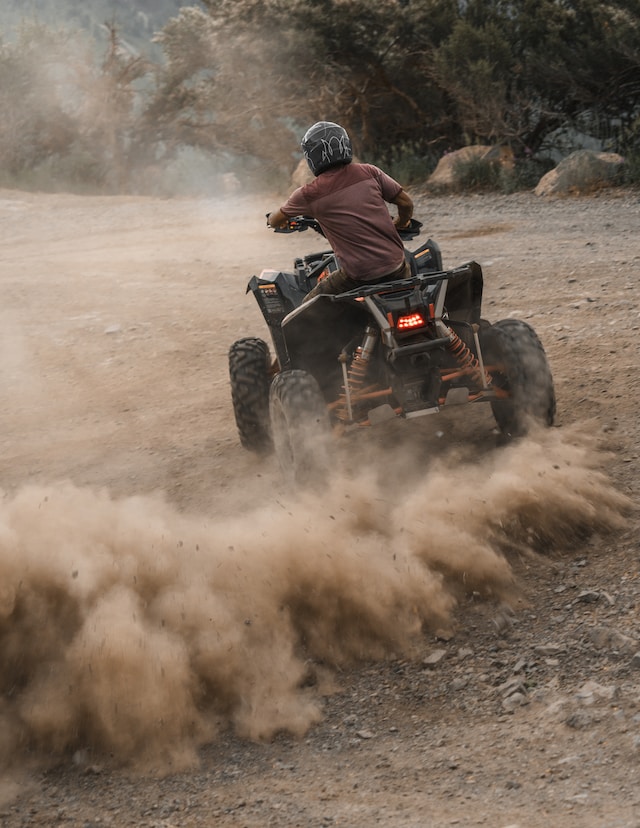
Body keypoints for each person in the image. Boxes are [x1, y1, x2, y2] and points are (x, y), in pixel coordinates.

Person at [267, 121, 414, 300]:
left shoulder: (308, 194)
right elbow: (406, 203)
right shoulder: (369, 172)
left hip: (360, 275)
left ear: (312, 156)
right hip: (396, 267)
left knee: (309, 305)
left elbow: (275, 220)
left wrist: (272, 219)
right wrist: (401, 222)